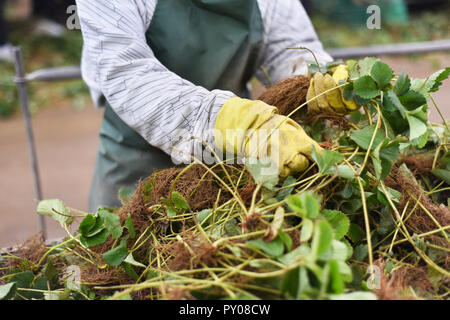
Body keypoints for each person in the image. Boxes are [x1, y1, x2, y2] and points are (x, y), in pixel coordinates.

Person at [76, 0, 358, 212]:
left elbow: (290, 48)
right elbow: (127, 74)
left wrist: (319, 80)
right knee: (126, 274)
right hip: (135, 161)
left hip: (231, 162)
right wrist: (231, 122)